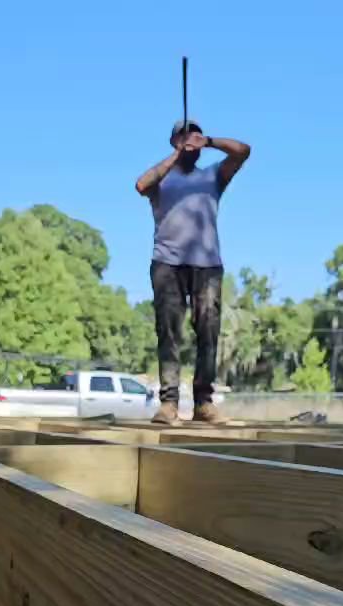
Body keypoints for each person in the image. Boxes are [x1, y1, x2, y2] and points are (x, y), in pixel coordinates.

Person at [135, 121, 251, 424]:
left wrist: (209, 141)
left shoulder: (212, 176)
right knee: (169, 331)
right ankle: (169, 403)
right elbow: (141, 185)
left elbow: (243, 152)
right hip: (167, 264)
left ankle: (203, 402)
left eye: (195, 135)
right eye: (185, 135)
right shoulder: (163, 178)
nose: (191, 141)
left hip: (207, 265)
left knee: (208, 332)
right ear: (173, 140)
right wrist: (176, 154)